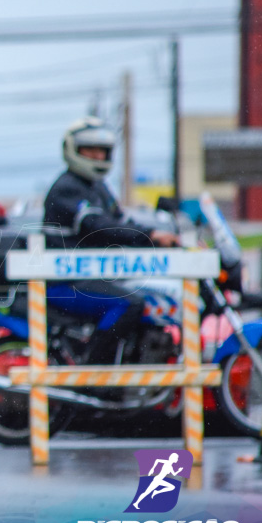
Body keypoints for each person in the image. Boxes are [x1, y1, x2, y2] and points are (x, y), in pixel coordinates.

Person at [42, 117, 178, 363]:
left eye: (101, 151)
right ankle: (97, 379)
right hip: (65, 283)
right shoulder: (68, 187)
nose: (96, 156)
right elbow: (99, 226)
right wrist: (149, 236)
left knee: (144, 295)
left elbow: (121, 222)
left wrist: (158, 235)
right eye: (89, 150)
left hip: (86, 278)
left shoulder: (98, 188)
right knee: (128, 304)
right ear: (72, 149)